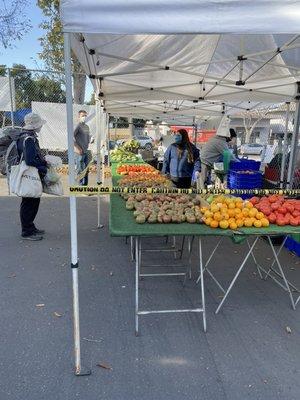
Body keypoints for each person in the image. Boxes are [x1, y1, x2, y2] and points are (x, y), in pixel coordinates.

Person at [17, 113, 48, 241]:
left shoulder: (23, 137)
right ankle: (27, 231)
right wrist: (43, 165)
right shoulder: (29, 139)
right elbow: (30, 160)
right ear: (35, 125)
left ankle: (30, 226)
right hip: (31, 174)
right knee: (30, 202)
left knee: (31, 201)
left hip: (28, 174)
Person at [199, 120, 237, 188]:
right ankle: (204, 192)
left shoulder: (217, 139)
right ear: (229, 137)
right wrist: (239, 162)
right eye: (233, 138)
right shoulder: (220, 142)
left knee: (209, 179)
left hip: (207, 161)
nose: (233, 141)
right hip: (205, 162)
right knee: (203, 181)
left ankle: (214, 186)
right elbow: (229, 156)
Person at [74, 110, 93, 185]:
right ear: (79, 117)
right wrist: (78, 148)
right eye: (82, 116)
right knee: (80, 170)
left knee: (86, 170)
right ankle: (80, 187)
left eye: (85, 116)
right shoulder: (77, 126)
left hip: (85, 151)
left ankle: (85, 187)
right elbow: (71, 137)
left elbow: (87, 138)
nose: (84, 117)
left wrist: (91, 139)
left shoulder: (86, 127)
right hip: (79, 153)